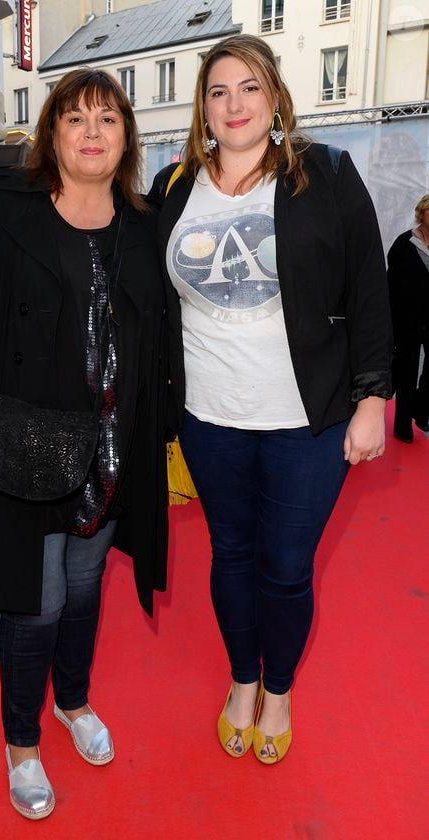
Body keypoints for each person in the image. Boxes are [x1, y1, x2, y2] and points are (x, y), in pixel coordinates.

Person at [0, 69, 182, 819]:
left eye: (108, 119)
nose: (92, 132)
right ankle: (22, 745)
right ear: (52, 133)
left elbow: (162, 336)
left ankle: (74, 701)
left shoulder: (142, 222)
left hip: (108, 450)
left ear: (126, 136)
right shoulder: (1, 209)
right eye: (76, 118)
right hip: (25, 452)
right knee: (36, 603)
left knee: (87, 585)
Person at [149, 34, 392, 764]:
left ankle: (277, 690)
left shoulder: (326, 173)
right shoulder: (173, 186)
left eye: (249, 88)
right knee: (230, 554)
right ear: (203, 107)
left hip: (306, 422)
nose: (234, 104)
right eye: (219, 91)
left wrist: (374, 394)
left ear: (276, 98)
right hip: (209, 417)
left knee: (286, 566)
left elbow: (369, 288)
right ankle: (240, 679)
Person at [387, 194, 429, 442]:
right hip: (407, 321)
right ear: (421, 213)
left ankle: (421, 410)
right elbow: (390, 285)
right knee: (406, 372)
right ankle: (402, 425)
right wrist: (390, 324)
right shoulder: (404, 244)